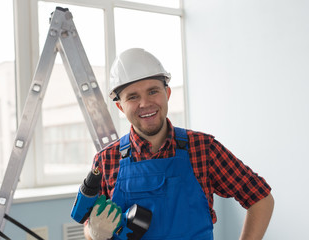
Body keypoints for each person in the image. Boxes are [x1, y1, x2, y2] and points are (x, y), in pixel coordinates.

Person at [84, 48, 274, 240]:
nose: (145, 103)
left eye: (153, 91)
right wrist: (94, 233)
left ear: (167, 93)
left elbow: (260, 198)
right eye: (132, 97)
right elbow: (89, 223)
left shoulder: (203, 148)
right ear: (120, 106)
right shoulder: (106, 160)